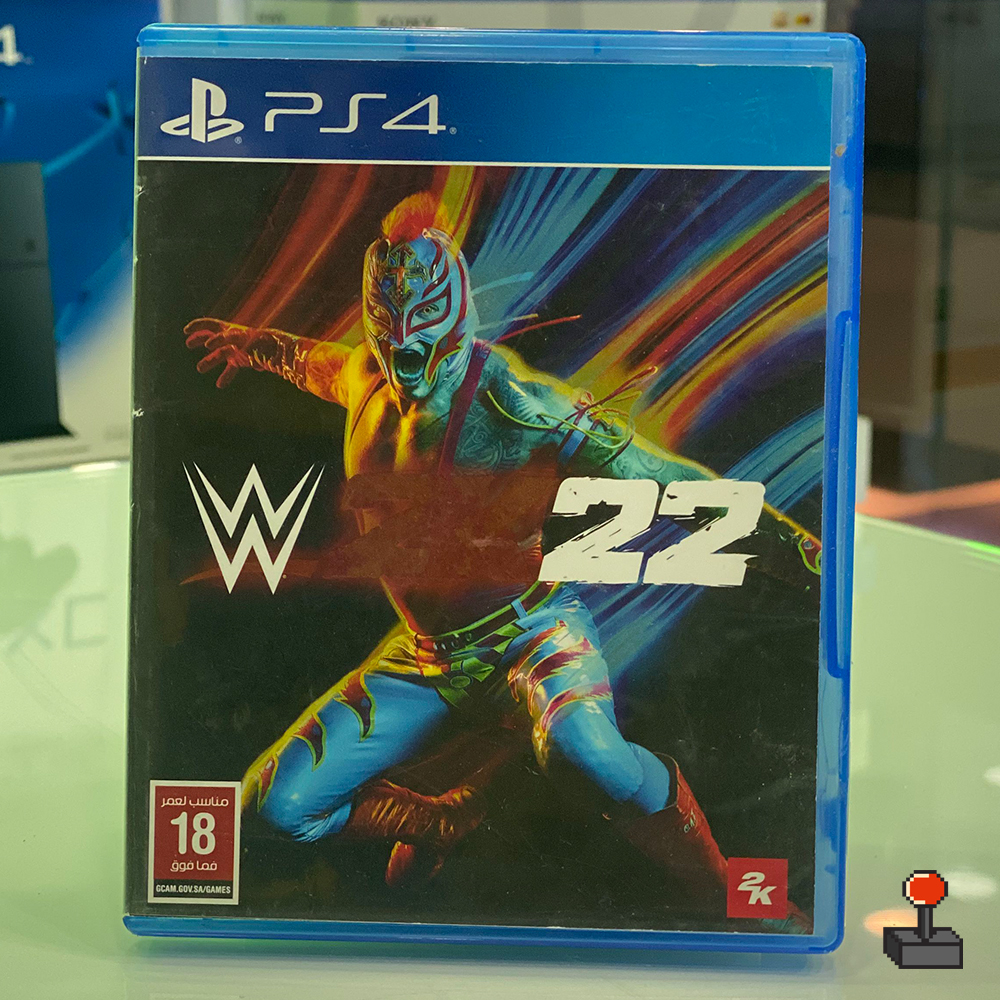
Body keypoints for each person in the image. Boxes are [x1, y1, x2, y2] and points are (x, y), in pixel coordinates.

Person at [184, 193, 818, 921]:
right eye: (391, 335)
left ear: (454, 316)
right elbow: (310, 363)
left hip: (532, 634)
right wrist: (256, 345)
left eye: (421, 333)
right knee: (275, 807)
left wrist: (800, 553)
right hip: (423, 657)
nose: (406, 360)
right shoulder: (365, 377)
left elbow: (668, 481)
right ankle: (444, 820)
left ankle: (728, 887)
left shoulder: (521, 407)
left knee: (589, 753)